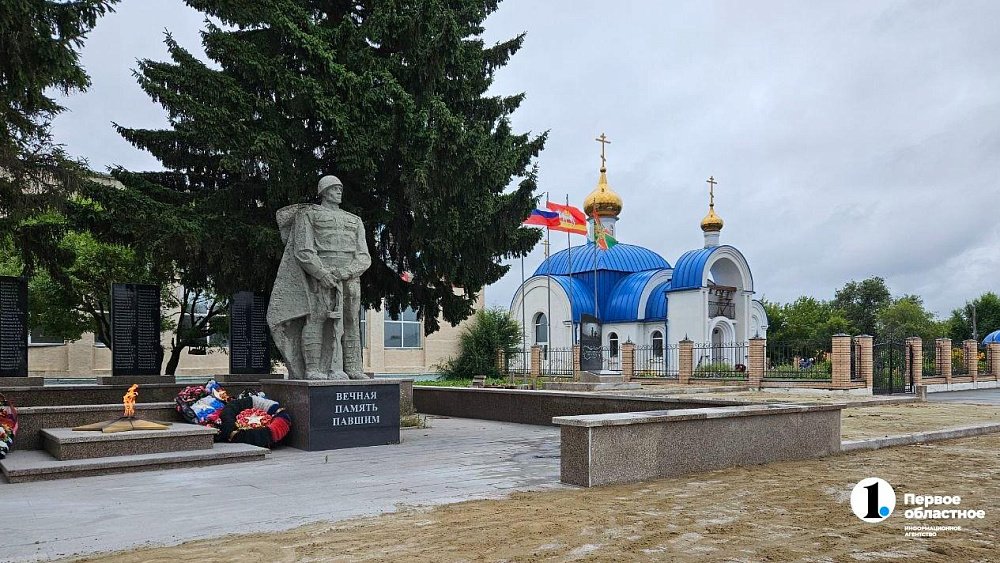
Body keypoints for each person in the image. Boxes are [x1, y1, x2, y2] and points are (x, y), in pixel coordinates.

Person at [267, 175, 371, 379]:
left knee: (350, 321)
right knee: (316, 319)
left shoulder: (354, 220)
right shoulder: (309, 215)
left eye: (340, 188)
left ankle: (353, 368)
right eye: (334, 188)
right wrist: (322, 273)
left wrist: (347, 272)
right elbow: (303, 250)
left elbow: (364, 256)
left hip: (349, 279)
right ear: (323, 191)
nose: (339, 191)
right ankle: (314, 369)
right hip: (320, 278)